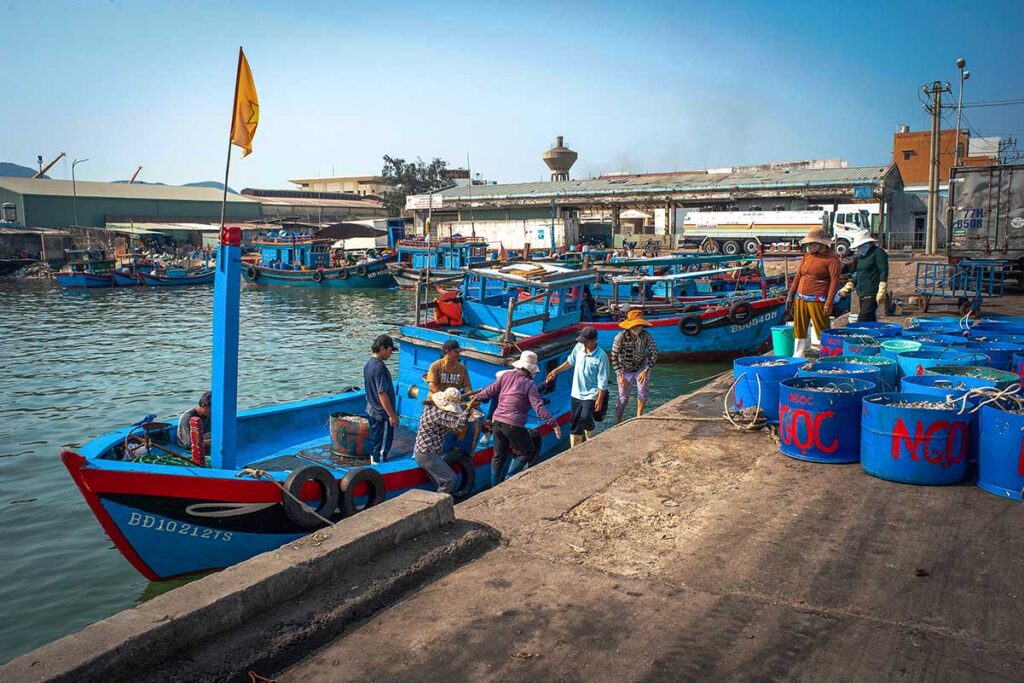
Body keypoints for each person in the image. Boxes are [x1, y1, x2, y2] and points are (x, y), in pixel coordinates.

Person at [474, 350, 561, 485]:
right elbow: (538, 407)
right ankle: (509, 478)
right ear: (530, 371)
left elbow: (489, 391)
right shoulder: (529, 384)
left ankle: (494, 486)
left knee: (498, 456)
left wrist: (476, 398)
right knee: (527, 451)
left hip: (497, 422)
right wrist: (553, 423)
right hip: (513, 424)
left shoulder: (506, 376)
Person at [546, 326, 609, 447]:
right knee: (575, 422)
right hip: (576, 393)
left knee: (585, 418)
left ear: (593, 340)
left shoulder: (601, 356)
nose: (583, 344)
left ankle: (591, 440)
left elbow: (602, 380)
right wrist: (556, 371)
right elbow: (570, 361)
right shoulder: (579, 347)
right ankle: (575, 447)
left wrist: (600, 399)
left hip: (591, 394)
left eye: (586, 341)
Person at [786, 227, 841, 358]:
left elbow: (834, 283)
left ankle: (827, 355)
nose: (810, 246)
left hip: (818, 299)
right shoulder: (807, 256)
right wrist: (790, 294)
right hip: (800, 297)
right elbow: (798, 276)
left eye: (813, 244)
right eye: (808, 244)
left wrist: (829, 303)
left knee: (822, 328)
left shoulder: (832, 259)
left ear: (822, 244)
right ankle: (798, 354)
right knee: (799, 326)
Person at [414, 388, 480, 494]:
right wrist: (469, 408)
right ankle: (441, 505)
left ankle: (439, 501)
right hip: (427, 454)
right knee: (450, 479)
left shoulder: (429, 407)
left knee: (440, 482)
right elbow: (458, 426)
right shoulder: (440, 415)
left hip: (422, 451)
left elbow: (450, 415)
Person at [610, 310, 658, 423]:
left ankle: (639, 415)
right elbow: (614, 356)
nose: (638, 327)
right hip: (624, 369)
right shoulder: (620, 337)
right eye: (636, 325)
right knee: (623, 398)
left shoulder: (646, 336)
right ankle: (618, 420)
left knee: (643, 389)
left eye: (640, 325)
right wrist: (619, 374)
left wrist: (646, 369)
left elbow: (654, 352)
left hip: (641, 366)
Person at [839, 232, 889, 323]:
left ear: (869, 243)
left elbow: (883, 271)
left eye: (862, 245)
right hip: (862, 293)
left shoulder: (878, 253)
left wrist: (882, 288)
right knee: (869, 320)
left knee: (863, 317)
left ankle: (859, 335)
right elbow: (859, 274)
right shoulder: (862, 257)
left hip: (872, 292)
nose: (859, 248)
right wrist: (849, 286)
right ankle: (873, 335)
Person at [364, 334, 398, 464]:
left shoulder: (368, 365)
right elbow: (382, 393)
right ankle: (379, 469)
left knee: (375, 441)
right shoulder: (379, 368)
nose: (390, 354)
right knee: (382, 447)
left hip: (371, 409)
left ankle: (374, 461)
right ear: (383, 348)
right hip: (381, 414)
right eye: (390, 351)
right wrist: (391, 415)